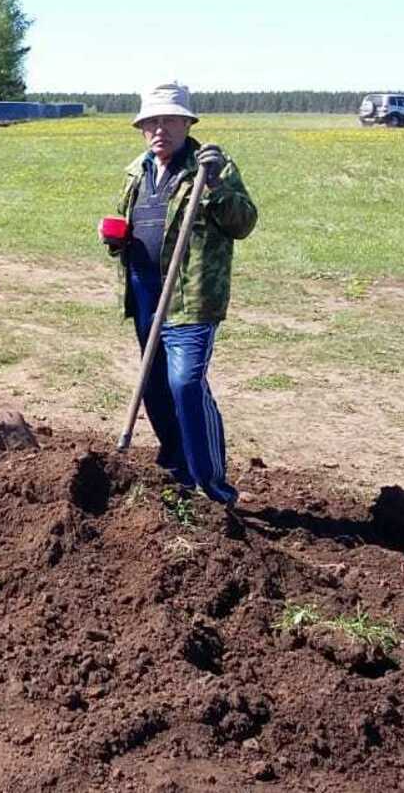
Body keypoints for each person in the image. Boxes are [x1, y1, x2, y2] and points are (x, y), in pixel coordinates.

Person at [108, 81, 258, 507]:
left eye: (169, 120)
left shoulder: (212, 167)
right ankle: (176, 466)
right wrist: (120, 239)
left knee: (185, 383)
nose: (160, 129)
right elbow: (132, 221)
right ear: (141, 128)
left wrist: (213, 186)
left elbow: (243, 223)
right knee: (154, 385)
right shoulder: (137, 171)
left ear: (187, 123)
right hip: (144, 290)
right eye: (151, 122)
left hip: (189, 295)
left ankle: (211, 486)